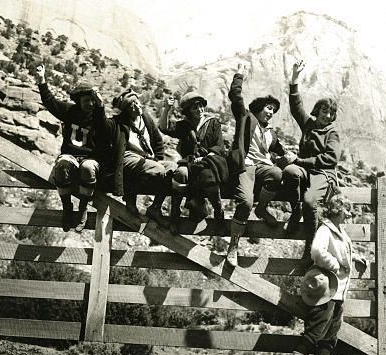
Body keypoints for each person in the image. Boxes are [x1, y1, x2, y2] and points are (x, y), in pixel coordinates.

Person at [284, 193, 367, 355]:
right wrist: (335, 265)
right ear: (338, 209)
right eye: (346, 209)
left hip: (338, 292)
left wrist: (354, 257)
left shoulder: (340, 231)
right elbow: (316, 251)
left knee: (328, 339)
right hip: (326, 291)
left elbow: (339, 252)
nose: (349, 214)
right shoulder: (325, 229)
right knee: (313, 335)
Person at [35, 64, 125, 233]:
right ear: (78, 101)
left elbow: (107, 131)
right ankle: (67, 207)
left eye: (92, 100)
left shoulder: (99, 117)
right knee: (61, 167)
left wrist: (100, 107)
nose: (89, 104)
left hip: (90, 159)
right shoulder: (69, 111)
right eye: (86, 101)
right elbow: (50, 102)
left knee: (88, 168)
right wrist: (42, 81)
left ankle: (83, 208)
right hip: (70, 155)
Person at [225, 63, 296, 267]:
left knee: (276, 172)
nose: (271, 112)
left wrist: (289, 155)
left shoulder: (270, 134)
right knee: (246, 203)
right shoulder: (246, 118)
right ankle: (233, 246)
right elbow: (235, 97)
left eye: (274, 110)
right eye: (268, 108)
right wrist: (239, 76)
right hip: (245, 166)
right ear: (259, 108)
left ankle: (262, 208)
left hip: (263, 168)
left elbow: (280, 149)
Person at [282, 59, 341, 257]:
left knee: (310, 201)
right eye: (325, 110)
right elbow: (296, 105)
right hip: (303, 170)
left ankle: (310, 247)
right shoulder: (308, 124)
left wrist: (298, 161)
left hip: (323, 173)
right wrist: (295, 78)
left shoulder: (332, 133)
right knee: (290, 172)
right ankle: (295, 209)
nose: (328, 115)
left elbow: (330, 159)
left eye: (331, 112)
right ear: (318, 111)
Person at [159, 91, 228, 234]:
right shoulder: (184, 125)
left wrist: (205, 157)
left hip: (209, 161)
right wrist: (167, 109)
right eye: (195, 107)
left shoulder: (213, 123)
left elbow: (219, 146)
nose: (200, 110)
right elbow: (164, 128)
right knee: (180, 174)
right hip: (190, 162)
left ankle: (218, 210)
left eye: (201, 106)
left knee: (208, 177)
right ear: (188, 111)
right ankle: (175, 216)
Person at [112, 88, 177, 227]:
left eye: (137, 102)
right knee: (158, 170)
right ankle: (130, 196)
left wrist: (158, 158)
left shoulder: (145, 118)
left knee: (172, 168)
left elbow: (158, 141)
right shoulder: (120, 123)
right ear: (126, 111)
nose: (137, 106)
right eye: (132, 105)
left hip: (148, 159)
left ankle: (155, 208)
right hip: (130, 157)